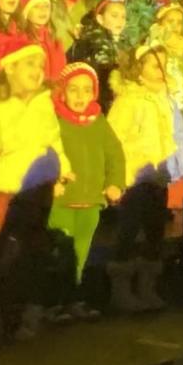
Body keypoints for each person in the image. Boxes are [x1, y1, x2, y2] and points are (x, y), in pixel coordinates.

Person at [0, 42, 69, 342]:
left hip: (38, 184)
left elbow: (53, 139)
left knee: (32, 250)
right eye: (30, 65)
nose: (37, 72)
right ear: (10, 67)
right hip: (5, 184)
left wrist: (63, 167)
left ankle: (25, 313)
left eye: (40, 66)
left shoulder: (43, 101)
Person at [45, 63, 124, 319]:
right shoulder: (53, 120)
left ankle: (75, 299)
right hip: (62, 199)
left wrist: (115, 182)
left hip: (91, 200)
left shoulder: (98, 120)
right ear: (62, 92)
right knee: (61, 253)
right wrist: (51, 181)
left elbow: (115, 154)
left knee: (82, 253)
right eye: (74, 89)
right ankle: (55, 301)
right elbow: (46, 153)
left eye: (86, 90)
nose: (80, 96)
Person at [105, 44, 177, 312]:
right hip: (133, 178)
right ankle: (121, 291)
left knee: (155, 234)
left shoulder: (162, 99)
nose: (161, 72)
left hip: (156, 177)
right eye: (154, 66)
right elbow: (112, 139)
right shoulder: (128, 101)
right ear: (138, 69)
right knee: (128, 232)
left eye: (163, 66)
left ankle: (147, 288)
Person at [18, 0, 69, 82]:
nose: (43, 10)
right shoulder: (21, 41)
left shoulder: (55, 41)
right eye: (36, 6)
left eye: (46, 6)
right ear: (26, 12)